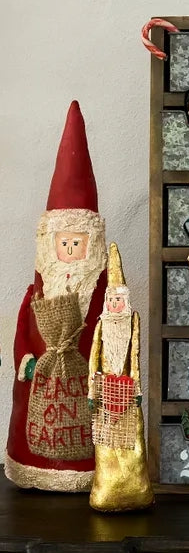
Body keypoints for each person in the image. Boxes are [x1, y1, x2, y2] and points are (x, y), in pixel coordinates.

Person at [6, 101, 107, 492]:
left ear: (91, 245)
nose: (69, 251)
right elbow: (22, 334)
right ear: (50, 244)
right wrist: (27, 362)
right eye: (63, 243)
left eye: (76, 244)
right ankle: (33, 464)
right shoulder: (38, 293)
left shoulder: (100, 294)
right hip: (40, 385)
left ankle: (86, 464)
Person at [88, 243, 153, 512]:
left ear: (125, 302)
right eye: (111, 300)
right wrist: (92, 391)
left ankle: (138, 492)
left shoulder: (132, 322)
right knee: (105, 445)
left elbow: (135, 357)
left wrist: (137, 390)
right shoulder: (101, 325)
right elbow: (93, 358)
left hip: (126, 393)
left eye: (119, 300)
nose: (115, 304)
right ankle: (105, 493)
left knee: (133, 441)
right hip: (105, 394)